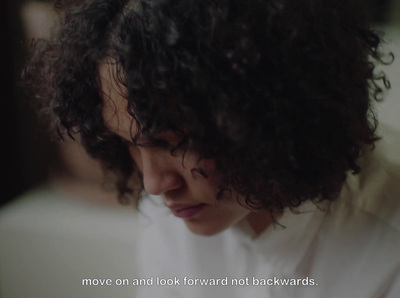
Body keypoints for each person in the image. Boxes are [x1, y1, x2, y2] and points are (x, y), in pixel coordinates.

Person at [23, 0, 400, 297]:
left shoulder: (386, 247)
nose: (154, 184)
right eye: (130, 144)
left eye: (174, 142)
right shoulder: (171, 211)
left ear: (260, 111)